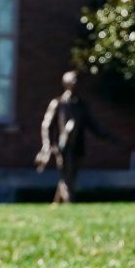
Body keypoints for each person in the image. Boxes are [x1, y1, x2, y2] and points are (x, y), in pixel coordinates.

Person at [35, 69, 107, 203]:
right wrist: (47, 144)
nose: (77, 84)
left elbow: (91, 123)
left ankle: (57, 203)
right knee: (66, 173)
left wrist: (105, 135)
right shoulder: (58, 103)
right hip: (63, 146)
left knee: (71, 174)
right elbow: (46, 125)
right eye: (74, 81)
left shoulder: (81, 105)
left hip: (78, 145)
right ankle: (70, 201)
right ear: (66, 83)